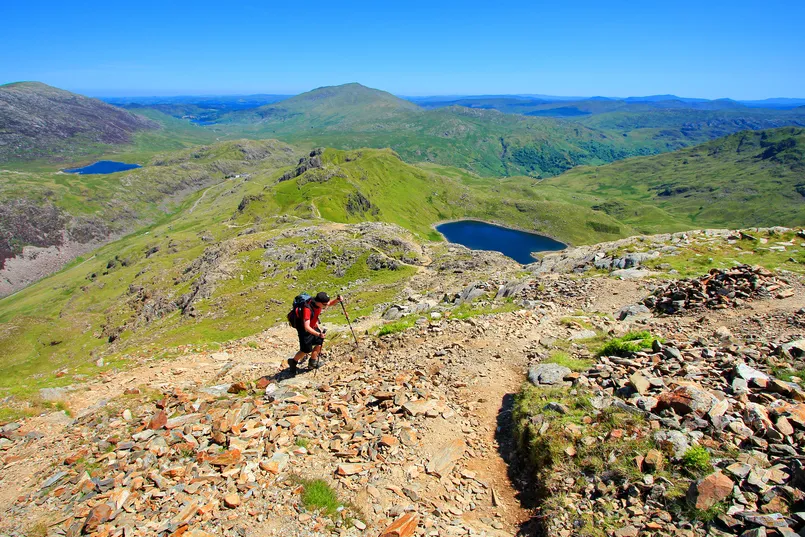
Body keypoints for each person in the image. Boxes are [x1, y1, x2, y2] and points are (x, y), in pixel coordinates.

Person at [288, 291, 343, 375]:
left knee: (319, 343)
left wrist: (337, 300)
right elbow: (306, 327)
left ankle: (312, 363)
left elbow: (329, 303)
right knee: (305, 350)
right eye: (324, 305)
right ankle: (293, 361)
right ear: (319, 302)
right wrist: (318, 334)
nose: (326, 306)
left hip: (314, 326)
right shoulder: (307, 309)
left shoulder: (319, 304)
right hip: (305, 330)